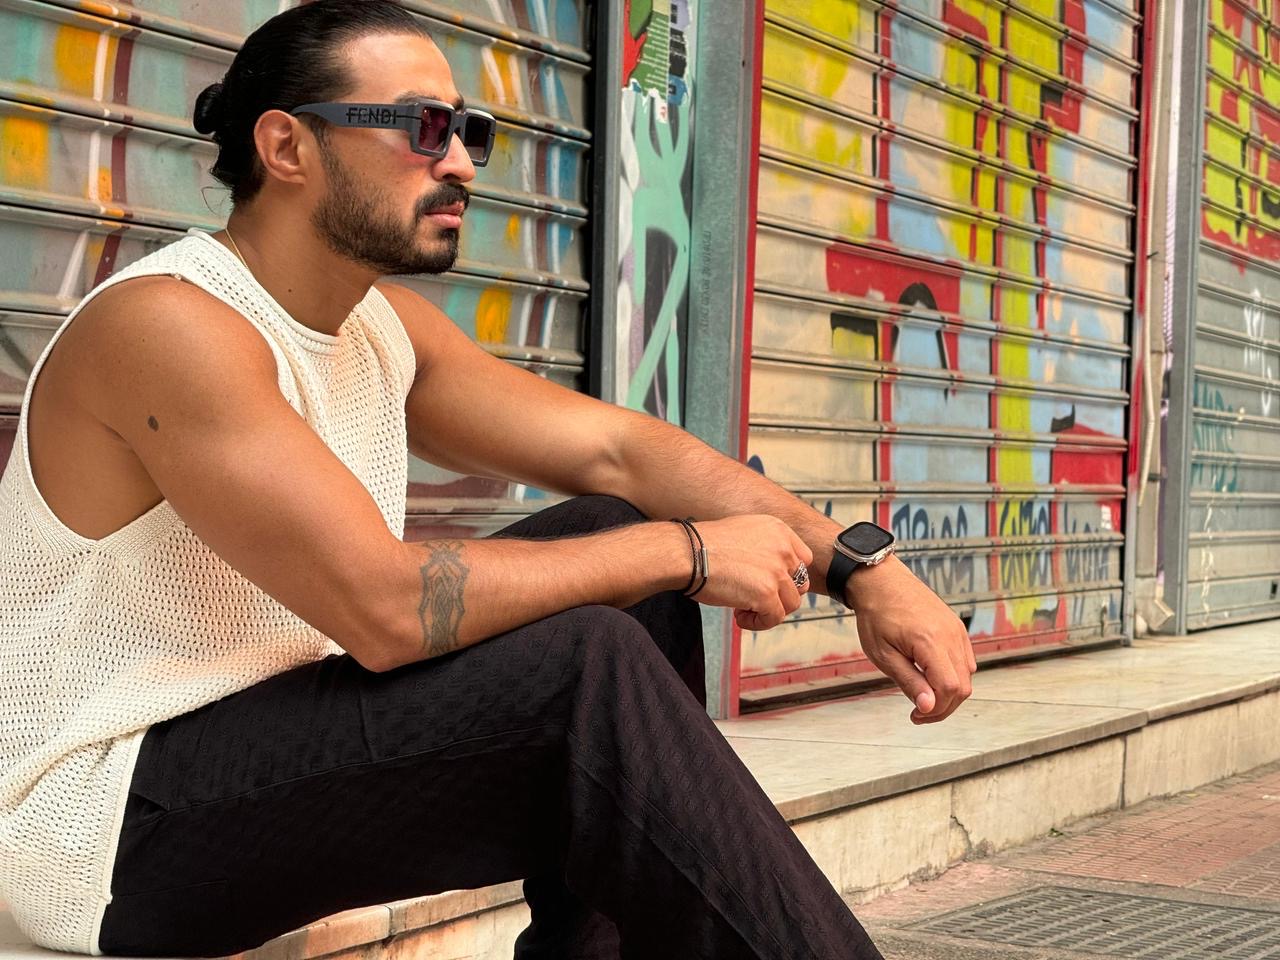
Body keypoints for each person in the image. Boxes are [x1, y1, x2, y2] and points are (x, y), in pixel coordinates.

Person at [0, 1, 975, 956]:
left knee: (616, 534)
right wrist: (684, 552)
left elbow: (619, 452)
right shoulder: (171, 326)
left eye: (469, 132)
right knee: (589, 653)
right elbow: (386, 609)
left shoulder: (380, 328)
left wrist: (859, 568)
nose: (463, 163)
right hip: (101, 825)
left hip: (259, 744)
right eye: (423, 129)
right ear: (287, 147)